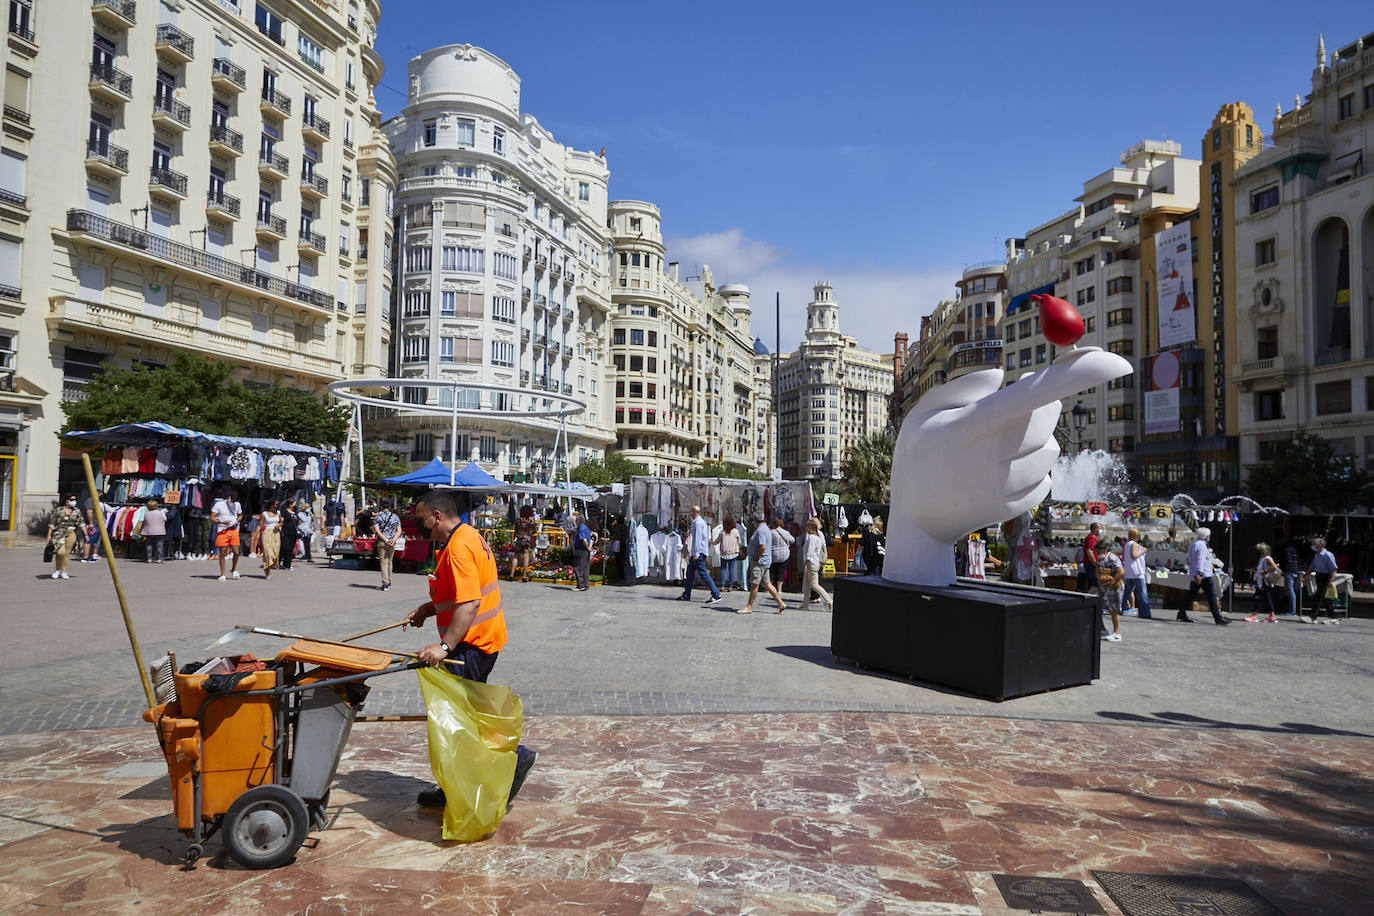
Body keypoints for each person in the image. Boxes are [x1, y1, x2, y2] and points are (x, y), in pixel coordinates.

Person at [404, 489, 536, 810]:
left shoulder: (459, 548)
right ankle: (454, 786)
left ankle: (511, 761)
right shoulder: (468, 536)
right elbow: (462, 594)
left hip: (470, 646)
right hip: (482, 641)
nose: (422, 529)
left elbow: (470, 602)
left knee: (460, 721)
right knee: (464, 716)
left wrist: (444, 646)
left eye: (422, 521)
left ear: (437, 516)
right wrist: (429, 608)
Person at [1182, 527, 1230, 625]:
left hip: (1196, 574)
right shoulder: (1202, 546)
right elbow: (1201, 560)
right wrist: (1200, 574)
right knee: (1211, 596)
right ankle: (1217, 617)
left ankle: (1181, 613)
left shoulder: (1194, 544)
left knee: (1191, 595)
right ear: (1206, 536)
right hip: (1204, 575)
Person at [676, 505, 722, 604]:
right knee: (690, 573)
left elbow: (697, 540)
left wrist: (696, 553)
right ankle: (686, 594)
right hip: (697, 552)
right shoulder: (701, 523)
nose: (690, 514)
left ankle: (716, 594)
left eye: (691, 512)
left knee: (703, 574)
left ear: (694, 512)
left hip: (698, 553)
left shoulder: (698, 523)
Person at [741, 512, 786, 614]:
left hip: (760, 562)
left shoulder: (761, 530)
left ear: (755, 520)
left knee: (754, 584)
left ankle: (749, 607)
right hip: (764, 561)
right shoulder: (765, 528)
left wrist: (756, 558)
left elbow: (762, 546)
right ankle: (780, 603)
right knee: (767, 584)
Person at [46, 494, 84, 580]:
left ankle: (63, 571)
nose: (74, 501)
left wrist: (86, 534)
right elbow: (52, 523)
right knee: (60, 552)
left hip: (71, 533)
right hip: (59, 532)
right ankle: (57, 569)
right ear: (66, 500)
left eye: (75, 499)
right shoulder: (58, 510)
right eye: (71, 499)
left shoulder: (77, 511)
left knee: (66, 553)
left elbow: (81, 522)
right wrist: (49, 535)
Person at [799, 518, 833, 611]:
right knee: (806, 584)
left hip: (811, 563)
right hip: (814, 563)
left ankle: (829, 600)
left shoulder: (811, 538)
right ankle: (805, 603)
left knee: (814, 584)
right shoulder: (818, 537)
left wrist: (806, 564)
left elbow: (810, 552)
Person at [1305, 537, 1340, 624]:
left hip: (1326, 576)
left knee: (1319, 596)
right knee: (1324, 597)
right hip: (1319, 576)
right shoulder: (1317, 555)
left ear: (1319, 545)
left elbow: (1334, 568)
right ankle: (1333, 617)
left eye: (1314, 544)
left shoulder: (1328, 555)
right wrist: (1306, 574)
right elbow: (1312, 566)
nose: (1312, 546)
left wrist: (1331, 580)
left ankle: (1313, 616)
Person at [210, 490, 243, 581]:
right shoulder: (219, 505)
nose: (233, 502)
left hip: (233, 530)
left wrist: (237, 521)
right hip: (222, 530)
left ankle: (233, 569)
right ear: (228, 497)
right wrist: (221, 522)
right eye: (232, 500)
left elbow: (240, 515)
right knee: (223, 553)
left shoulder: (237, 505)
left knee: (236, 552)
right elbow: (212, 517)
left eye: (235, 500)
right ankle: (222, 574)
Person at [1097, 538, 1124, 641]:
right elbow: (1097, 574)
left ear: (1104, 549)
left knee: (1114, 610)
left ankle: (1116, 633)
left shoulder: (1112, 558)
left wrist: (1112, 582)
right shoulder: (1100, 559)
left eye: (1099, 551)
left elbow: (1121, 571)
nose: (1098, 553)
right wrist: (1099, 572)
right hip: (1104, 587)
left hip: (1113, 588)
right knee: (1098, 606)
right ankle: (1102, 629)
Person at [1122, 527, 1151, 620]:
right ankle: (1144, 612)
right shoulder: (1134, 544)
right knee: (1142, 593)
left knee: (1127, 592)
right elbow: (1134, 555)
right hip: (1137, 572)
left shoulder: (1127, 544)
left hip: (1129, 571)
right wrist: (1143, 550)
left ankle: (1120, 607)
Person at [1247, 543, 1280, 623]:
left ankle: (1256, 615)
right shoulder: (1262, 558)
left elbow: (1274, 567)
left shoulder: (1267, 558)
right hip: (1261, 582)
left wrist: (1264, 571)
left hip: (1264, 582)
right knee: (1263, 598)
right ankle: (1270, 616)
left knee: (1259, 598)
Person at [374, 498, 401, 591]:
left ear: (381, 507)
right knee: (390, 561)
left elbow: (377, 530)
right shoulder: (395, 517)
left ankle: (385, 583)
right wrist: (393, 539)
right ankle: (389, 581)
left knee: (383, 562)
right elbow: (399, 530)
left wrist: (385, 539)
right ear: (389, 507)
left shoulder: (378, 517)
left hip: (382, 541)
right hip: (392, 542)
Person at [253, 500, 282, 580]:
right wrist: (254, 536)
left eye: (277, 505)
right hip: (267, 534)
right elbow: (260, 526)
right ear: (271, 505)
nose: (276, 506)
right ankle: (267, 571)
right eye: (274, 505)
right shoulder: (264, 514)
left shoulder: (278, 513)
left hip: (276, 534)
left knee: (275, 553)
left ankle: (268, 567)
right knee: (268, 553)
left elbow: (281, 522)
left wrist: (278, 525)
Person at [510, 503, 537, 580]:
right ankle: (524, 576)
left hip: (519, 538)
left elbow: (516, 529)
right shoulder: (531, 521)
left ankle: (511, 575)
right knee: (526, 556)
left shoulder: (518, 520)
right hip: (527, 539)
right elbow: (534, 530)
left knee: (516, 556)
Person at [715, 517, 742, 591]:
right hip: (733, 553)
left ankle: (722, 586)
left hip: (724, 553)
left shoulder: (722, 532)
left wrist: (711, 542)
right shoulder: (736, 531)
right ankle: (730, 586)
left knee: (723, 570)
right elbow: (739, 542)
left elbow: (716, 541)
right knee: (731, 569)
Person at [769, 517, 794, 591]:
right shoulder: (785, 533)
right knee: (781, 571)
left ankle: (770, 589)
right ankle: (779, 589)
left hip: (773, 554)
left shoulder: (771, 532)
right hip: (784, 555)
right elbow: (793, 540)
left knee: (772, 571)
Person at [572, 510, 594, 591]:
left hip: (581, 549)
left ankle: (580, 585)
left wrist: (587, 546)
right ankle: (586, 585)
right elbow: (591, 539)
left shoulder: (581, 528)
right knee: (585, 568)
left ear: (578, 521)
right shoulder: (586, 528)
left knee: (578, 567)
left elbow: (584, 539)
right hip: (586, 551)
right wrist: (589, 547)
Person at [141, 499, 168, 563]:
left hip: (148, 531)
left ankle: (149, 558)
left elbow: (144, 521)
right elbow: (165, 519)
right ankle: (159, 558)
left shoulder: (146, 513)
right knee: (159, 545)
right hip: (159, 531)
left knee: (149, 545)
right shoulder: (161, 513)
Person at [1078, 522, 1101, 592]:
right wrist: (1095, 563)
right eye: (1100, 528)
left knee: (1094, 584)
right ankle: (1088, 600)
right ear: (1095, 529)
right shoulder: (1091, 538)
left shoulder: (1093, 538)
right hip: (1091, 565)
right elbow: (1089, 551)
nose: (1101, 530)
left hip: (1090, 564)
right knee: (1096, 585)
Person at [1283, 540, 1303, 615]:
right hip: (1295, 571)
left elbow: (1285, 561)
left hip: (1289, 572)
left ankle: (1292, 610)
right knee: (1293, 591)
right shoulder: (1296, 552)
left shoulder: (1287, 551)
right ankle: (1293, 609)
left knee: (1290, 591)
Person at [279, 499, 299, 571]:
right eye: (294, 503)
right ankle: (278, 562)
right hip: (286, 532)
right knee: (284, 547)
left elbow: (297, 521)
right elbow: (281, 521)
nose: (295, 504)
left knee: (290, 549)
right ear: (290, 504)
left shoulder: (295, 512)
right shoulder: (284, 512)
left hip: (293, 533)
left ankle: (287, 564)